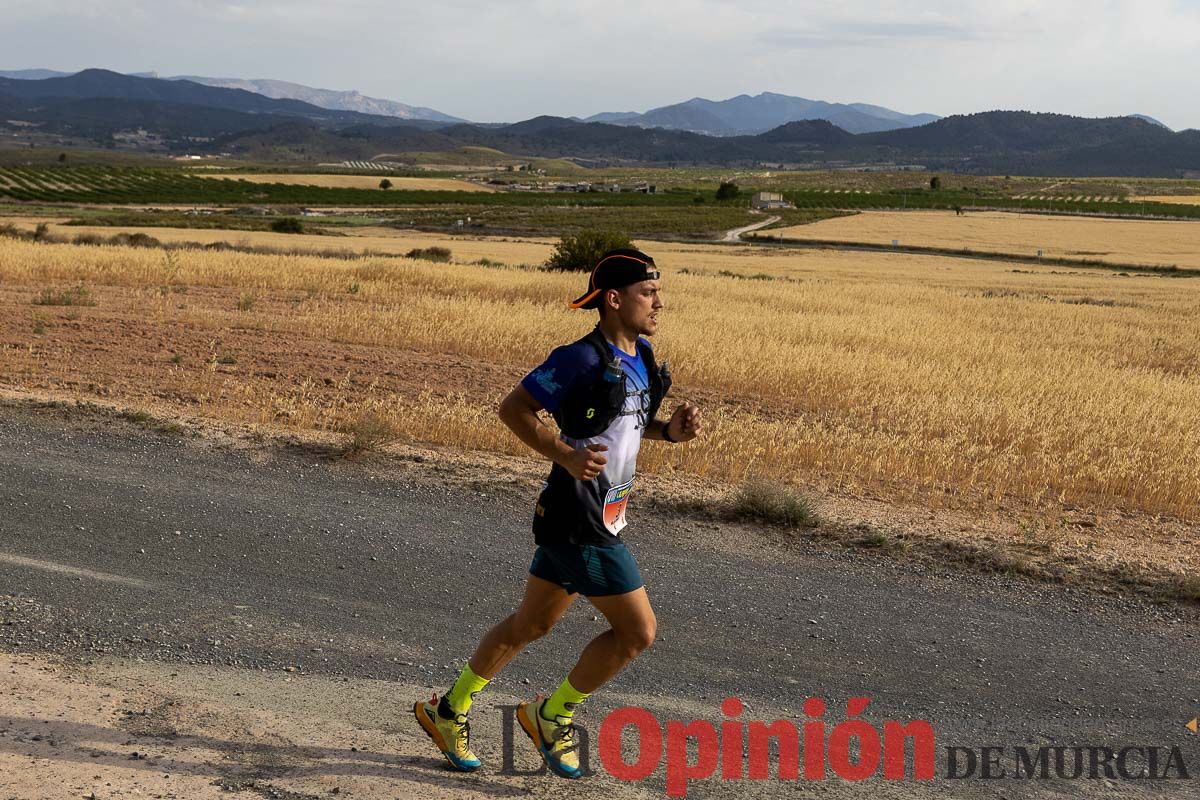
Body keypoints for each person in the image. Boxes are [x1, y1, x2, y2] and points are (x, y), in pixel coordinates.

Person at [414, 247, 701, 779]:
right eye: (648, 293)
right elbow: (513, 409)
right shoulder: (578, 358)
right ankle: (554, 714)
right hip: (581, 520)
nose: (659, 303)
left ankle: (446, 710)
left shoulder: (641, 359)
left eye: (658, 292)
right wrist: (564, 454)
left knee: (531, 624)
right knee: (637, 633)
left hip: (594, 515)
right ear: (614, 300)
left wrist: (667, 432)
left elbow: (624, 429)